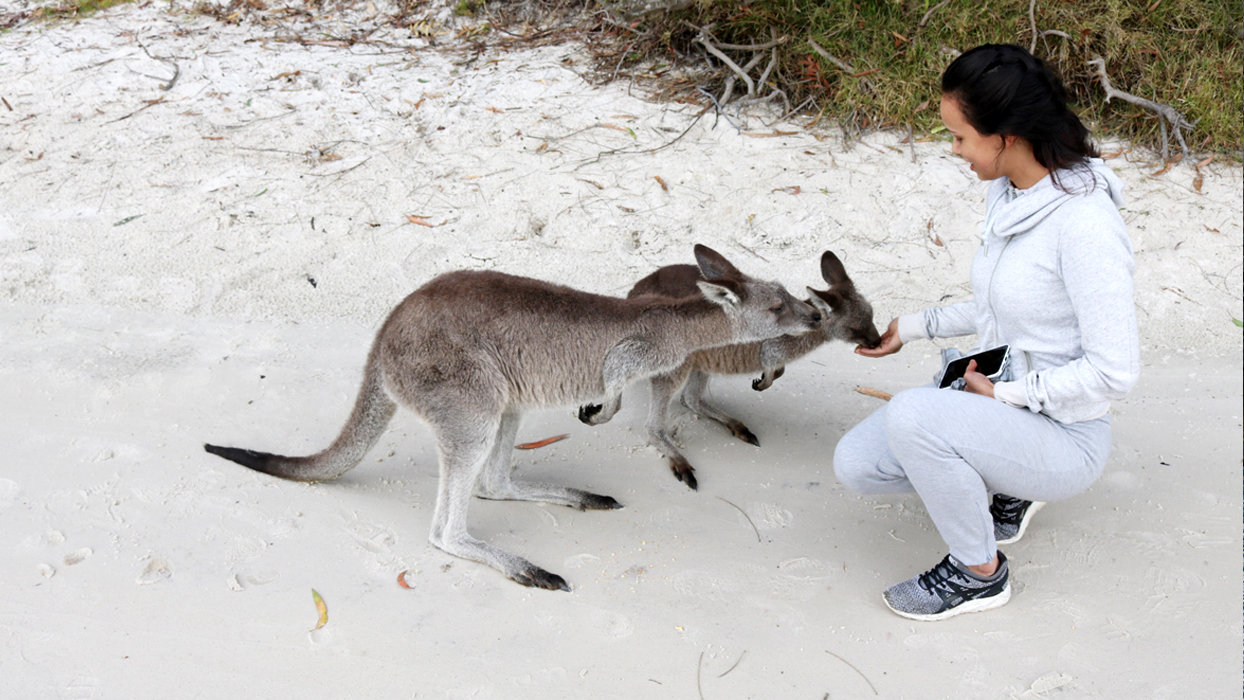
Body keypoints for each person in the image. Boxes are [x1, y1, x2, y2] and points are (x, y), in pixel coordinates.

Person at [833, 44, 1140, 621]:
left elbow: (1115, 371)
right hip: (1006, 403)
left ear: (1007, 136)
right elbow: (1005, 305)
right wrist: (913, 327)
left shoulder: (1085, 227)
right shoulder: (1013, 191)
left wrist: (1007, 397)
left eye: (959, 137)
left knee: (913, 417)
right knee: (860, 464)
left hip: (1065, 436)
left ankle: (979, 572)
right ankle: (1005, 478)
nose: (953, 150)